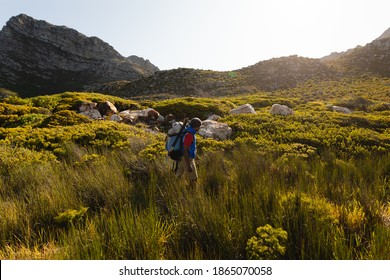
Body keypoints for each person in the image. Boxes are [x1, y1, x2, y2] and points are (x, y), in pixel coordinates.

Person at [176, 117, 202, 186]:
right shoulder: (189, 135)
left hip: (181, 157)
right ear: (196, 127)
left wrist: (196, 157)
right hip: (187, 159)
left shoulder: (186, 130)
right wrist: (188, 165)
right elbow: (185, 150)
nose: (199, 128)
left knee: (178, 176)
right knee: (193, 179)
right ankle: (192, 192)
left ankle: (176, 189)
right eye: (199, 127)